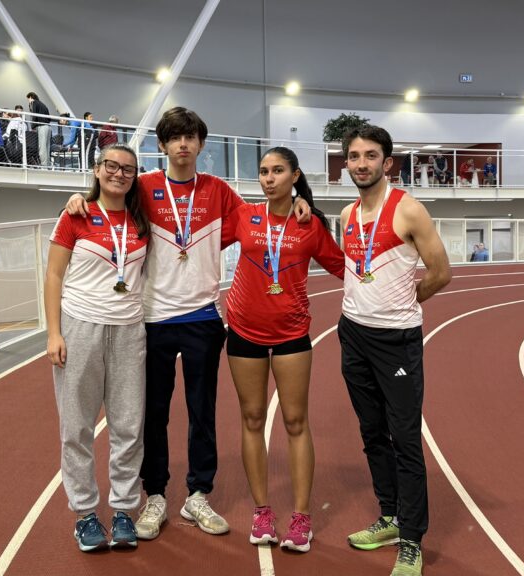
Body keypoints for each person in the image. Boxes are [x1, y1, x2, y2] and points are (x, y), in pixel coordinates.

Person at [64, 107, 311, 542]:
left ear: (200, 144)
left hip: (202, 318)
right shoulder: (141, 187)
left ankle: (198, 493)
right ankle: (155, 495)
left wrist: (297, 204)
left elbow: (262, 217)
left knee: (203, 412)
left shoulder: (218, 190)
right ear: (161, 145)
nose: (183, 145)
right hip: (152, 319)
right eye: (174, 138)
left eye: (190, 137)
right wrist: (78, 199)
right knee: (151, 413)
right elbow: (107, 200)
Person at [337, 125, 451, 576]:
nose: (360, 163)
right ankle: (389, 514)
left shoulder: (409, 211)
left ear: (387, 163)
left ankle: (411, 539)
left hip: (396, 341)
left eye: (369, 156)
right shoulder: (346, 213)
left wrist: (406, 303)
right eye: (353, 156)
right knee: (371, 433)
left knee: (404, 439)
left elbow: (441, 272)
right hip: (353, 334)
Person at [225, 146, 344, 553]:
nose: (269, 177)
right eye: (263, 171)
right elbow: (199, 240)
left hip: (292, 333)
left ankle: (301, 517)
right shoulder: (243, 216)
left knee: (295, 421)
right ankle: (261, 512)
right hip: (243, 331)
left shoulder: (309, 225)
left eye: (278, 170)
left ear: (295, 176)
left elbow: (342, 266)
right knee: (253, 418)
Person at [45, 144, 150, 552]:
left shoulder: (143, 220)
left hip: (128, 331)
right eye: (111, 166)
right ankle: (85, 514)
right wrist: (54, 333)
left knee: (128, 425)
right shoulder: (75, 215)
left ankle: (124, 509)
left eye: (127, 169)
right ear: (96, 169)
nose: (119, 174)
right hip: (80, 327)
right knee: (77, 427)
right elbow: (54, 275)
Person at [27, 92, 51, 166]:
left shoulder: (34, 103)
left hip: (42, 127)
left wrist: (33, 126)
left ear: (30, 97)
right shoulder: (42, 104)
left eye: (28, 99)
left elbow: (34, 115)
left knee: (42, 147)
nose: (28, 101)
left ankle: (44, 166)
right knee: (47, 148)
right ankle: (47, 165)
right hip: (48, 127)